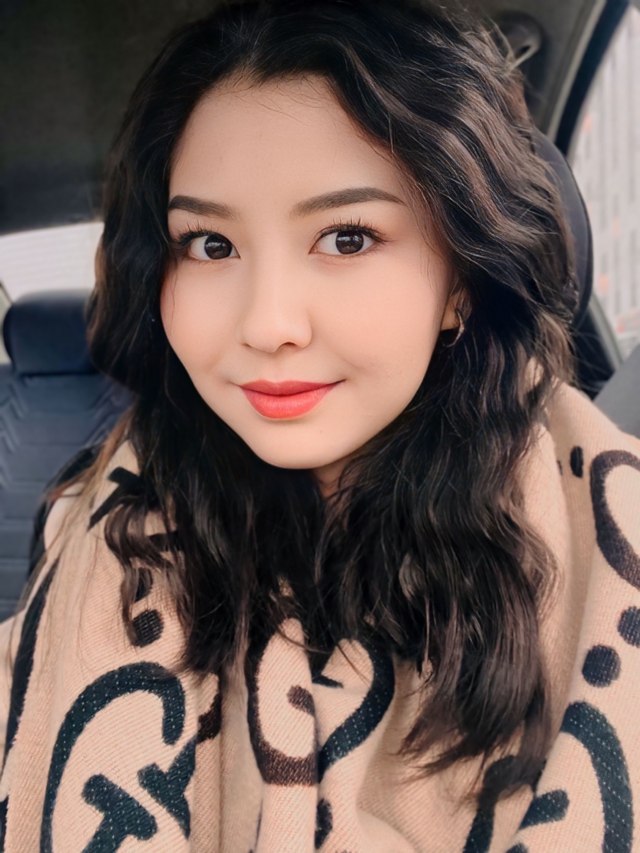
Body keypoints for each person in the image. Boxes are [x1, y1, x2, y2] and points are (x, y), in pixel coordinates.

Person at [0, 0, 639, 850]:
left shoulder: (611, 531)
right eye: (210, 245)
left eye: (346, 237)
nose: (267, 324)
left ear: (459, 279)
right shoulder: (99, 525)